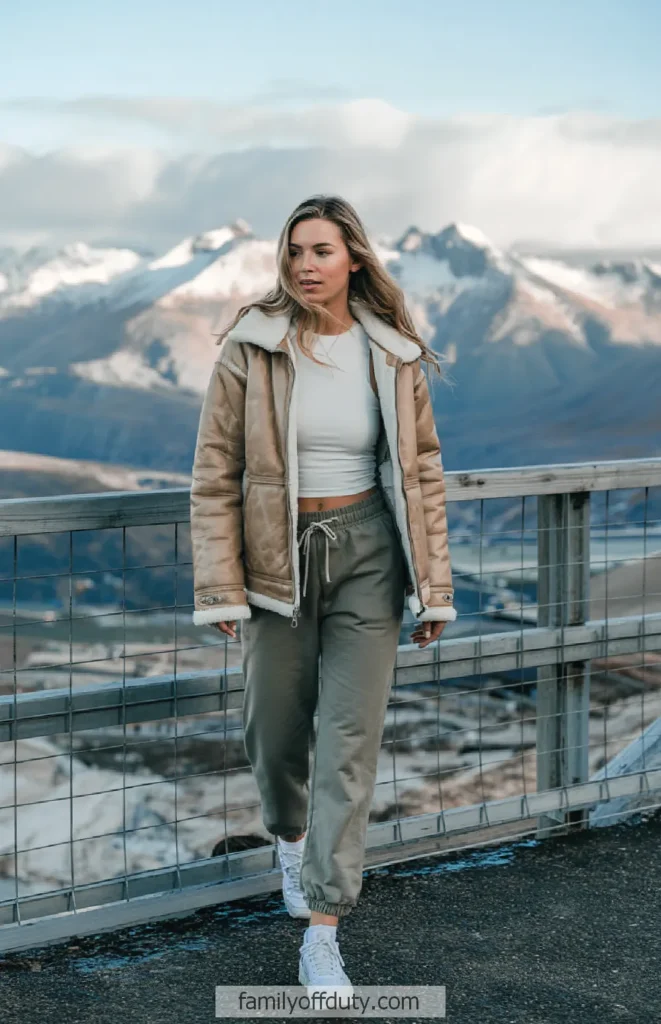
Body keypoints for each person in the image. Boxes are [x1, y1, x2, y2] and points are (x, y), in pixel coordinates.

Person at [190, 194, 456, 994]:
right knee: (273, 736)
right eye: (295, 251)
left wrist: (433, 589)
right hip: (277, 562)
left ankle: (322, 927)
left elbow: (424, 475)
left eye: (322, 252)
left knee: (349, 743)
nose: (306, 265)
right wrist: (221, 587)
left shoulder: (394, 355)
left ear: (354, 262)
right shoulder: (251, 348)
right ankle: (288, 838)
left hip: (370, 557)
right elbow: (213, 477)